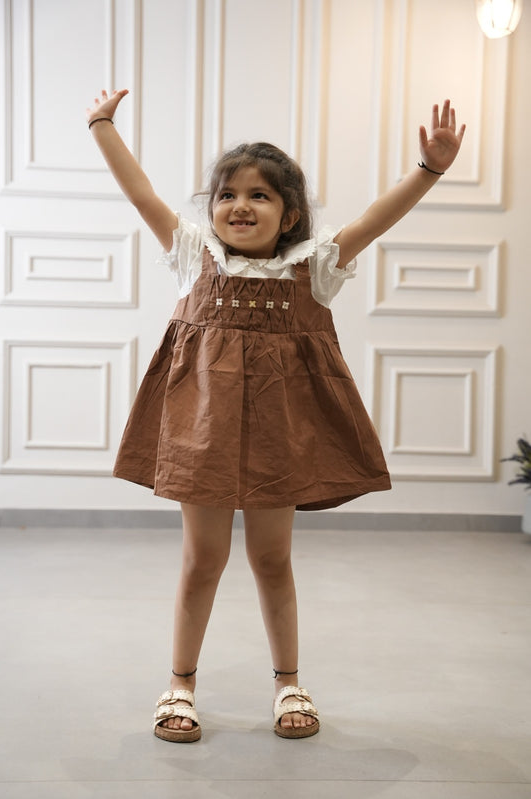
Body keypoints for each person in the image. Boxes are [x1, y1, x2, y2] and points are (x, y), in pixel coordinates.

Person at [87, 89, 465, 743]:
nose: (240, 205)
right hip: (200, 430)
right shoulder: (191, 254)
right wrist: (101, 127)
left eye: (260, 195)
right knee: (201, 558)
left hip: (280, 430)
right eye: (228, 193)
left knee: (271, 558)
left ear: (288, 214)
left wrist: (428, 169)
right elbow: (141, 192)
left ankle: (288, 680)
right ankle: (180, 684)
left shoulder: (313, 266)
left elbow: (376, 218)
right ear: (212, 207)